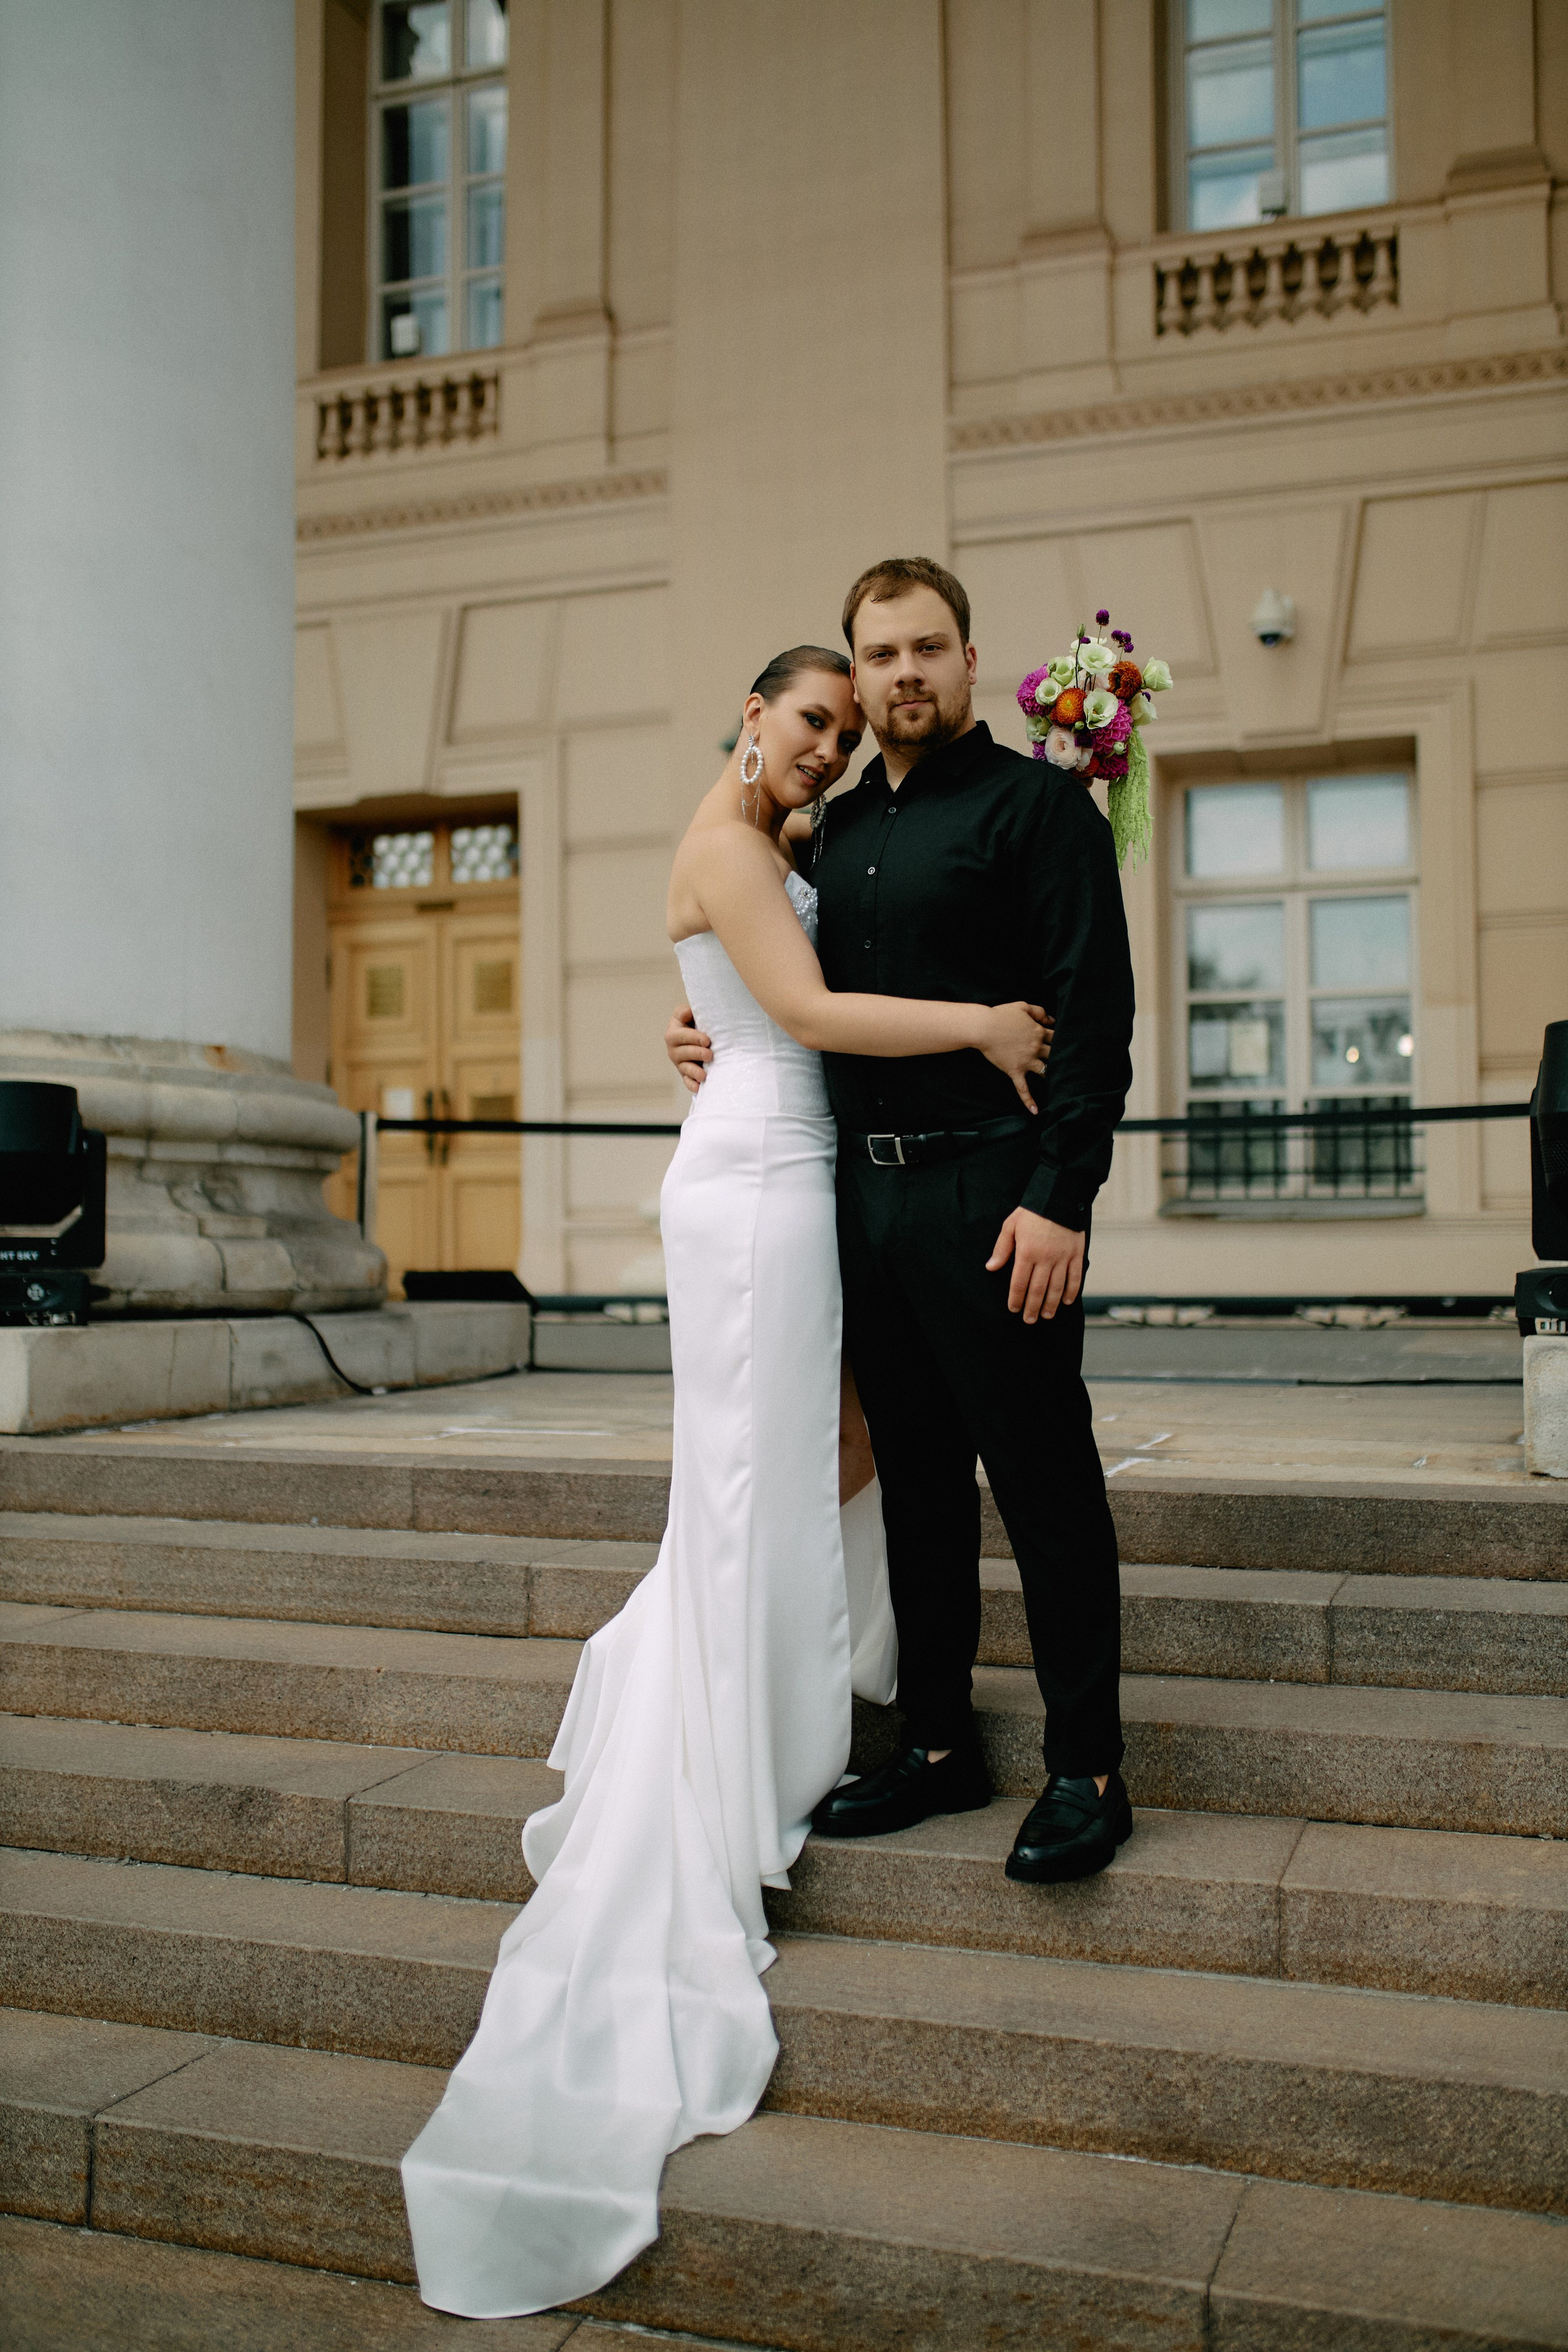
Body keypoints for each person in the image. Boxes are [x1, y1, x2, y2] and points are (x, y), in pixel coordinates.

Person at [400, 642, 1051, 2322]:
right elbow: (817, 1012)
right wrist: (984, 1025)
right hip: (759, 1187)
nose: (830, 745)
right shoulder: (728, 840)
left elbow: (770, 1002)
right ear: (751, 714)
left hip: (785, 1162)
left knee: (822, 1451)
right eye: (810, 719)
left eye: (846, 725)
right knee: (769, 1476)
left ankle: (782, 1682)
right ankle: (737, 1733)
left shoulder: (782, 846)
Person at [668, 556, 1136, 1888]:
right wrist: (694, 1028)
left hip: (996, 1199)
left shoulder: (1038, 812)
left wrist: (1063, 1200)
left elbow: (1090, 1021)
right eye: (878, 659)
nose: (903, 676)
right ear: (856, 674)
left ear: (968, 661)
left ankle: (1085, 1767)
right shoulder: (834, 831)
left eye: (926, 650)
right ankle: (939, 1743)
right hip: (856, 1204)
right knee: (921, 1487)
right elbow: (779, 981)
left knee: (1040, 1481)